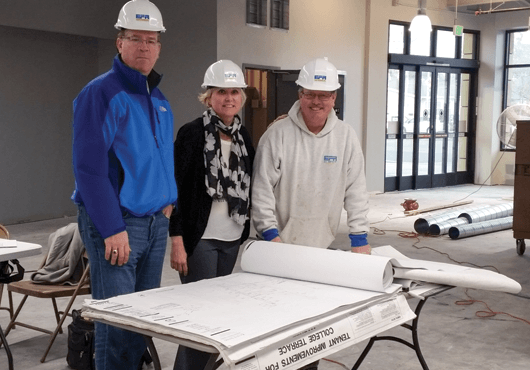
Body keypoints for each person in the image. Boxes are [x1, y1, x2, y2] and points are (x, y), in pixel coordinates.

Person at [71, 1, 177, 369]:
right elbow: (89, 168)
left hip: (154, 223)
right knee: (116, 321)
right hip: (121, 224)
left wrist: (168, 200)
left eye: (152, 40)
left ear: (159, 46)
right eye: (136, 39)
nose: (144, 47)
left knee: (142, 319)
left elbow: (161, 159)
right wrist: (112, 228)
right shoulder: (100, 93)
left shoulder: (158, 98)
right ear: (120, 42)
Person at [252, 57, 370, 369]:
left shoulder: (346, 138)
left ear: (334, 97)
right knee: (275, 325)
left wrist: (360, 239)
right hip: (279, 247)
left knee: (313, 328)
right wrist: (269, 235)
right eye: (310, 94)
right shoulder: (277, 135)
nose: (317, 102)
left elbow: (356, 190)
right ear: (300, 94)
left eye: (324, 95)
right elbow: (261, 189)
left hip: (321, 248)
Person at [169, 60, 255, 370]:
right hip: (199, 239)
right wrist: (176, 239)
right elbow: (175, 188)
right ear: (209, 96)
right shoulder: (192, 133)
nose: (229, 98)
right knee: (199, 320)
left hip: (231, 237)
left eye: (234, 91)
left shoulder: (244, 136)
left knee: (216, 320)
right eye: (221, 92)